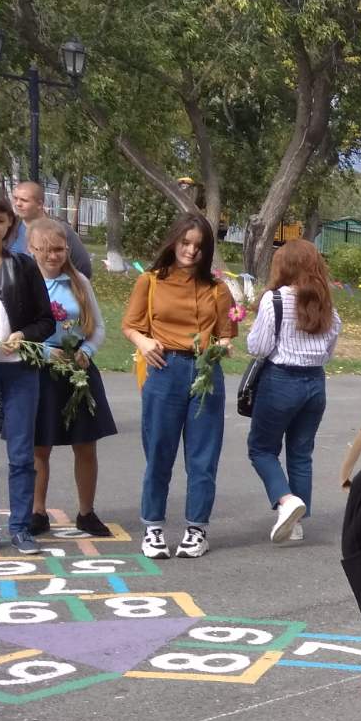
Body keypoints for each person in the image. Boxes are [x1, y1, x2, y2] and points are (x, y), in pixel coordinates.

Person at [121, 212, 236, 560]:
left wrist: (223, 347)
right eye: (185, 242)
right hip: (164, 368)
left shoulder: (217, 289)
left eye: (199, 246)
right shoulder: (151, 281)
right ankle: (153, 527)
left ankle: (196, 529)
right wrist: (143, 342)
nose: (191, 251)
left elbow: (226, 334)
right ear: (174, 242)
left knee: (203, 458)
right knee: (159, 454)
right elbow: (130, 325)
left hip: (205, 371)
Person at [0, 186, 55, 556]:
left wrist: (24, 334)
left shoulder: (23, 265)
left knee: (21, 453)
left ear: (10, 224)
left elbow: (46, 321)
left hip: (20, 370)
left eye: (0, 220)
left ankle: (21, 527)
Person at [245, 238, 341, 544]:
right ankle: (296, 523)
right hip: (315, 384)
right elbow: (328, 352)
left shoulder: (274, 300)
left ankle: (286, 501)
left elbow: (259, 347)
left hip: (280, 380)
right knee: (301, 453)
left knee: (261, 448)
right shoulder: (326, 306)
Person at [26, 218, 114, 537]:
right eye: (46, 249)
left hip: (78, 367)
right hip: (41, 368)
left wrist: (87, 350)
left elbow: (98, 326)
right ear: (31, 249)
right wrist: (43, 353)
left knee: (85, 444)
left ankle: (86, 512)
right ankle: (37, 512)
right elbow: (15, 333)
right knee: (40, 446)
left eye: (59, 249)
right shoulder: (26, 283)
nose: (53, 255)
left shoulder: (79, 282)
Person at [10, 181, 93, 279]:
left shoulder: (61, 229)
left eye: (24, 200)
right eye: (15, 198)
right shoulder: (10, 227)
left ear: (39, 204)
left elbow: (83, 267)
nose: (18, 204)